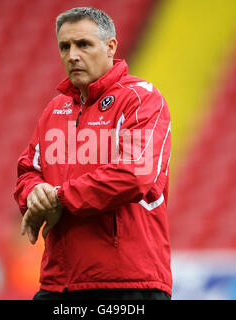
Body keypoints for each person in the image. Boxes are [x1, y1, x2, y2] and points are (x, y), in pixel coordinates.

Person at [14, 7, 172, 300]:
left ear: (111, 46)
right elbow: (28, 171)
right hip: (58, 282)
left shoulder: (142, 98)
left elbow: (134, 174)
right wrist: (34, 195)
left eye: (83, 44)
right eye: (65, 46)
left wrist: (59, 198)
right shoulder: (55, 109)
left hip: (127, 283)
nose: (72, 55)